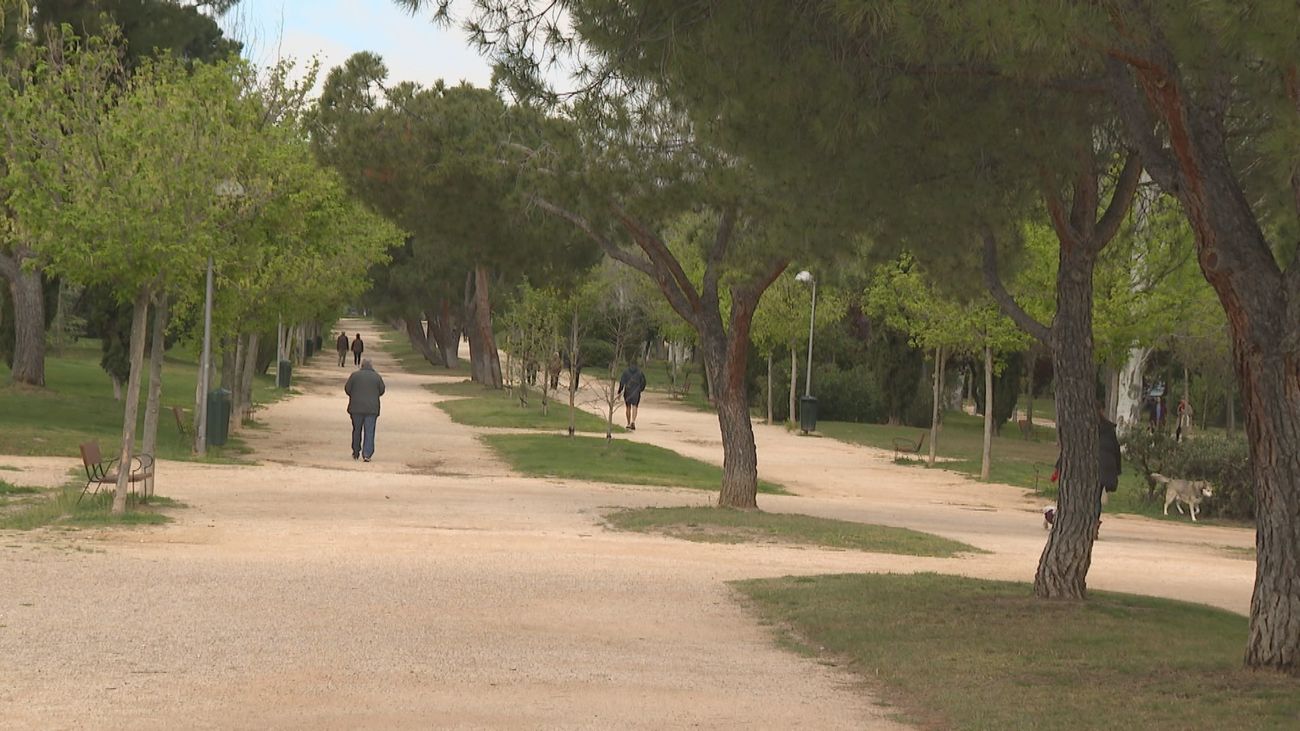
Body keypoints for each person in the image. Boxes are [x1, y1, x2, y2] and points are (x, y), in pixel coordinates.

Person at [1049, 402, 1121, 538]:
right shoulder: (1108, 428)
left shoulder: (1084, 426)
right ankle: (1093, 525)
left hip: (1090, 466)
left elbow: (1071, 448)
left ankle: (1080, 524)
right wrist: (1116, 470)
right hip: (1105, 467)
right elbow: (1116, 450)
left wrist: (1059, 466)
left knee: (1084, 495)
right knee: (1096, 497)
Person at [344, 358, 385, 462]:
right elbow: (382, 390)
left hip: (356, 407)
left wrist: (354, 395)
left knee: (356, 430)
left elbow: (347, 389)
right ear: (372, 366)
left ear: (361, 365)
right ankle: (367, 454)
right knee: (370, 431)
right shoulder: (377, 377)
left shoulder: (354, 375)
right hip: (372, 408)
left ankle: (356, 451)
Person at [617, 360, 647, 430]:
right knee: (635, 406)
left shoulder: (626, 372)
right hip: (636, 392)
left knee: (628, 407)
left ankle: (628, 423)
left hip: (628, 391)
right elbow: (644, 382)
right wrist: (640, 389)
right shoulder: (640, 372)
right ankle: (633, 421)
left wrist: (619, 392)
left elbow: (622, 382)